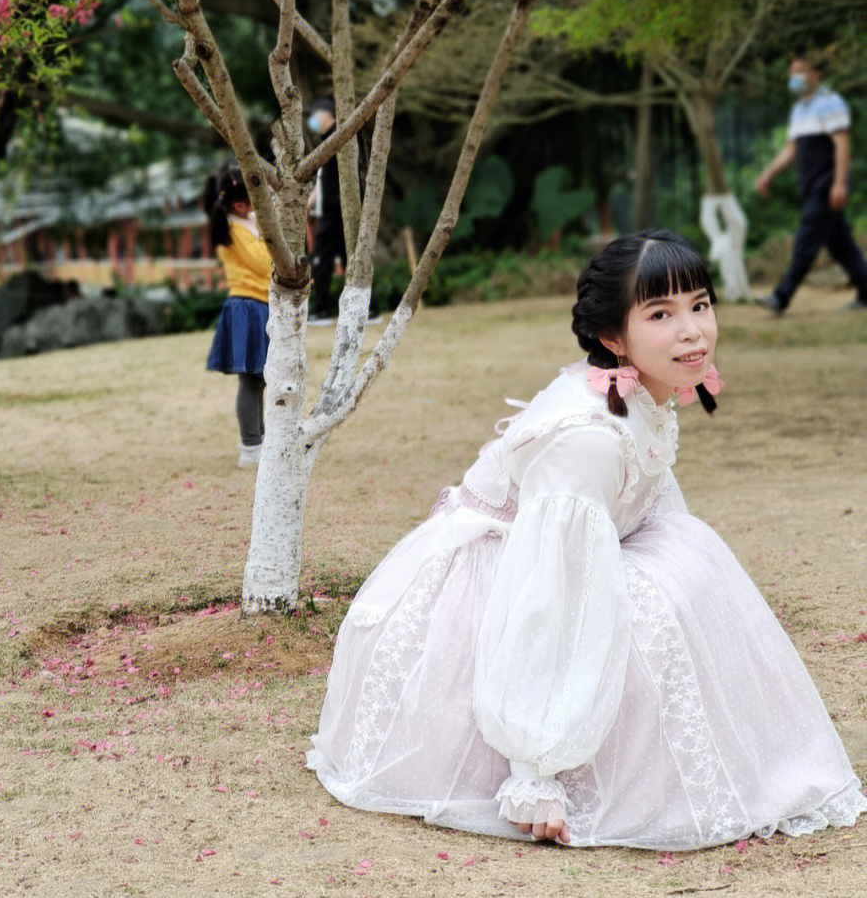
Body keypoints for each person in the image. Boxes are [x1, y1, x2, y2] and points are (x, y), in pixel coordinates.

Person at [307, 230, 866, 849]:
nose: (692, 332)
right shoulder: (586, 437)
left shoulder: (639, 388)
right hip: (503, 580)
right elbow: (548, 595)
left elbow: (651, 502)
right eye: (660, 313)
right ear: (612, 337)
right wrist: (534, 771)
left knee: (691, 578)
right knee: (651, 607)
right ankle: (542, 753)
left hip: (579, 550)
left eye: (700, 305)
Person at [754, 54, 867, 312]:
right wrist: (769, 172)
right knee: (841, 246)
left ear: (816, 75)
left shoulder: (831, 103)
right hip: (810, 186)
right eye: (793, 72)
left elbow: (842, 143)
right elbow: (792, 149)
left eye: (801, 71)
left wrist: (840, 183)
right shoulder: (799, 109)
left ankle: (781, 296)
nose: (796, 77)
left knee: (805, 241)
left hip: (826, 185)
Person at [204, 165, 270, 469]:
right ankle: (251, 445)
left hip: (258, 304)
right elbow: (261, 263)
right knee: (250, 379)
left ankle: (259, 439)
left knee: (259, 379)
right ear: (240, 204)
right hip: (247, 306)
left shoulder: (246, 223)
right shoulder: (234, 229)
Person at [307, 98, 345, 325]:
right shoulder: (328, 142)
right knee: (349, 257)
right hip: (332, 208)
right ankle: (367, 309)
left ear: (325, 115)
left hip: (336, 209)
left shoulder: (337, 140)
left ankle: (322, 310)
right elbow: (323, 180)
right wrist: (310, 202)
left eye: (314, 116)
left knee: (321, 256)